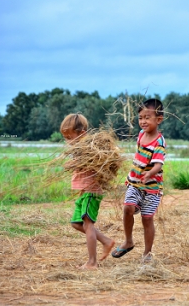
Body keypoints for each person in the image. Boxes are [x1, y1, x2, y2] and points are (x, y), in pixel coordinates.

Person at [112, 98, 166, 262]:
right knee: (128, 208)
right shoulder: (141, 135)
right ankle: (128, 241)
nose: (143, 121)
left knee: (147, 218)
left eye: (147, 117)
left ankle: (147, 253)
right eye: (141, 117)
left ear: (159, 119)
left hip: (152, 188)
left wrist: (150, 173)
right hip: (134, 183)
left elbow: (158, 163)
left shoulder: (159, 141)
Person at [60, 113, 115, 270]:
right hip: (84, 193)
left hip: (91, 192)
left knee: (88, 224)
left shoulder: (89, 149)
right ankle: (105, 241)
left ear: (82, 133)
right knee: (77, 224)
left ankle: (92, 262)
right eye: (65, 138)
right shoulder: (80, 149)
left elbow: (86, 164)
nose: (67, 141)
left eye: (69, 137)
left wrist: (72, 164)